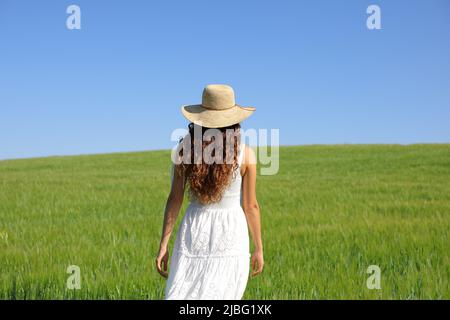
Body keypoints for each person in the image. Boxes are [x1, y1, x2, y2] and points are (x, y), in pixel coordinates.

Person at [156, 84, 263, 299]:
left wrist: (164, 244)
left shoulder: (184, 151)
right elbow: (250, 206)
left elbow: (175, 199)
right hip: (231, 232)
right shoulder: (247, 155)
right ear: (235, 121)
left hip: (194, 230)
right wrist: (259, 248)